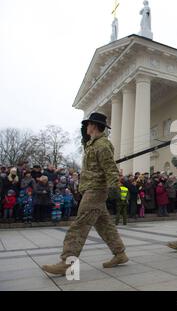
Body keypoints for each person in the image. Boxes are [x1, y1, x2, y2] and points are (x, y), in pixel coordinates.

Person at [42, 112, 128, 275]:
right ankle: (120, 253)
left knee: (79, 225)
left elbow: (110, 168)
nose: (85, 127)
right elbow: (94, 163)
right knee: (104, 225)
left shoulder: (102, 145)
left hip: (95, 190)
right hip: (91, 188)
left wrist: (114, 188)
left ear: (94, 126)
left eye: (87, 124)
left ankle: (67, 262)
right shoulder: (93, 144)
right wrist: (84, 141)